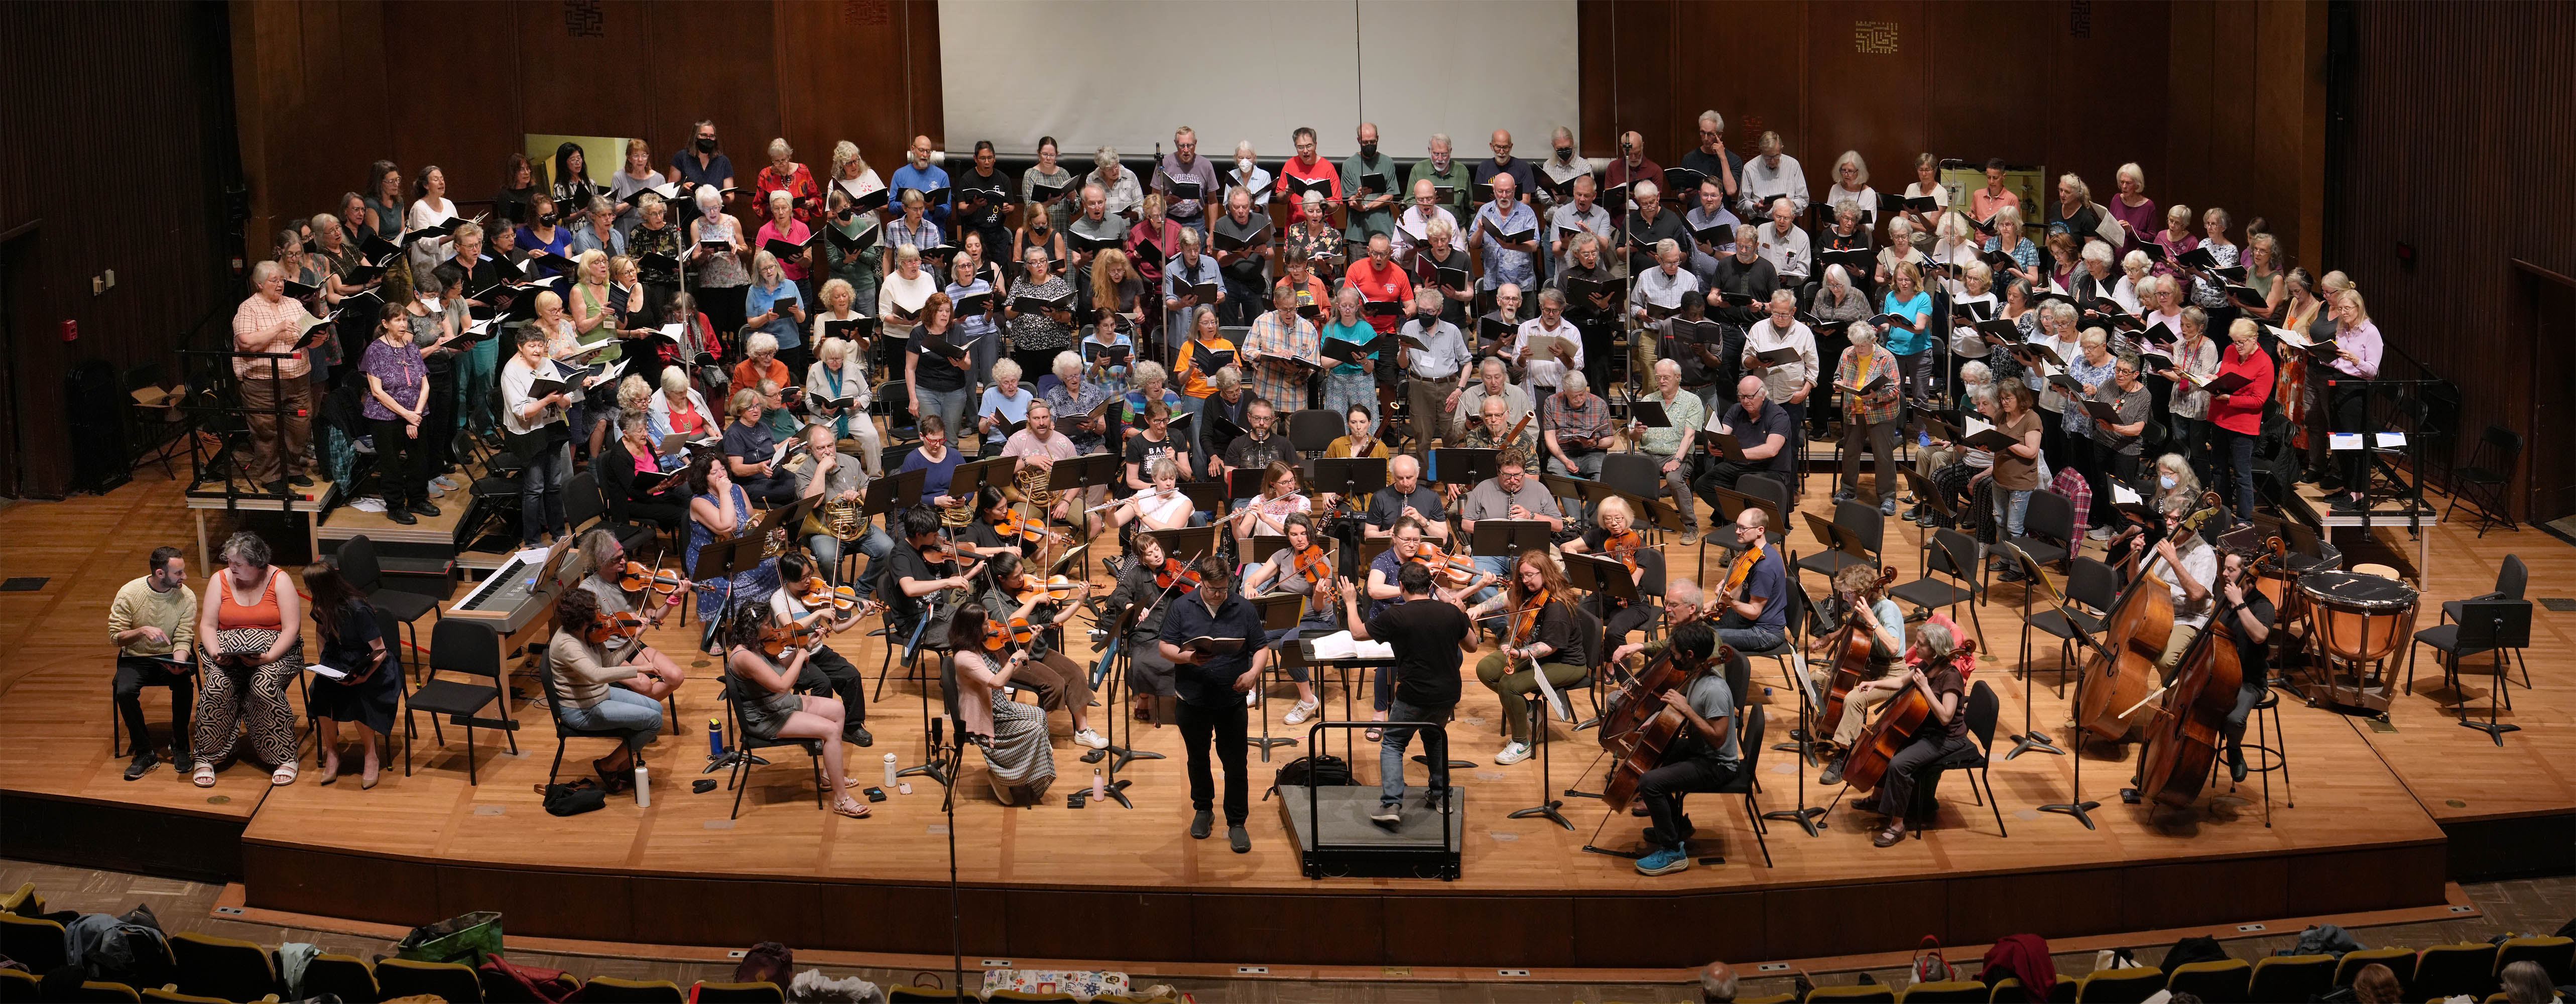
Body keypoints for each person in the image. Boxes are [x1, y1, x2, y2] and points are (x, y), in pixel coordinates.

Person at [1342, 560, 1476, 827]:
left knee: (1393, 743)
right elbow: (1472, 646)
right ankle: (1441, 797)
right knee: (1434, 736)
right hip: (1449, 694)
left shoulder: (1396, 615)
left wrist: (1349, 601)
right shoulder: (1451, 612)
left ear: (1401, 586)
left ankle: (1391, 802)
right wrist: (1462, 614)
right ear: (1430, 585)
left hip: (1413, 695)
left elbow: (1357, 633)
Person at [1158, 556, 1265, 853]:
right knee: (1198, 758)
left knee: (1235, 762)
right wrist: (1187, 657)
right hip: (1193, 698)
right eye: (1211, 589)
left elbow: (1260, 647)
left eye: (1222, 589)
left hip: (1231, 698)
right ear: (1201, 582)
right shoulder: (1182, 606)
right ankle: (1203, 809)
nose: (1218, 594)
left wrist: (1254, 673)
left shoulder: (1243, 608)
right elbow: (1164, 646)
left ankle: (1237, 821)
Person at [721, 604, 868, 818]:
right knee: (829, 730)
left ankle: (829, 776)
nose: (772, 628)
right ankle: (841, 799)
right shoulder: (744, 657)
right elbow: (782, 685)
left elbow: (779, 667)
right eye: (767, 624)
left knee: (837, 709)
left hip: (779, 703)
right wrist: (799, 657)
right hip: (767, 717)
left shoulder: (757, 646)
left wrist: (806, 647)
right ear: (753, 628)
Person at [1622, 620, 1739, 876]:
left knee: (1651, 782)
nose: (1671, 658)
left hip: (1717, 763)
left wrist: (1686, 710)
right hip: (1701, 750)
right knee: (1653, 756)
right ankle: (1677, 827)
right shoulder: (1697, 673)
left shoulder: (1715, 689)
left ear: (1690, 656)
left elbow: (1718, 739)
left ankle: (1673, 851)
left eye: (1674, 654)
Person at [191, 532, 303, 788]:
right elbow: (207, 625)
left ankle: (283, 756)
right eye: (229, 561)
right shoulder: (220, 580)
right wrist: (216, 652)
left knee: (263, 687)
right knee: (217, 687)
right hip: (225, 654)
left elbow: (291, 629)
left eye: (238, 564)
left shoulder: (280, 580)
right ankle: (207, 756)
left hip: (275, 654)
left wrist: (269, 657)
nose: (231, 568)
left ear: (257, 563)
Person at [1854, 620, 1972, 846]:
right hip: (1926, 730)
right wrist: (1874, 685)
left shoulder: (1951, 677)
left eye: (1920, 644)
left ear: (1935, 649)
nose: (1915, 647)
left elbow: (1946, 716)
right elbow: (1901, 681)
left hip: (1946, 738)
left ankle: (1897, 826)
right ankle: (1878, 798)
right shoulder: (1925, 666)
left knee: (1899, 764)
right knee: (1886, 744)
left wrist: (1926, 688)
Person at [1464, 549, 1586, 766]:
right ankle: (1529, 710)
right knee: (1486, 669)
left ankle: (1521, 743)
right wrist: (1480, 609)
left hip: (1565, 662)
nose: (1525, 580)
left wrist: (1519, 653)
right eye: (1522, 575)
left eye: (1530, 575)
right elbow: (1507, 597)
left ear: (1545, 573)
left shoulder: (1557, 607)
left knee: (1509, 685)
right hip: (1532, 652)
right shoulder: (1530, 591)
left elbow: (1549, 647)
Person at [1808, 563, 1908, 784]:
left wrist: (1872, 620)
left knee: (1854, 699)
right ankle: (1827, 729)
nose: (1844, 598)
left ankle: (1844, 755)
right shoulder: (1863, 605)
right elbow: (1854, 627)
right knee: (1816, 678)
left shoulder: (1886, 610)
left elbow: (1893, 646)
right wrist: (1831, 637)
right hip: (1870, 666)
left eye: (1848, 593)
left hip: (1892, 673)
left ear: (1864, 591)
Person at [110, 547, 197, 781]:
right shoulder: (129, 593)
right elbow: (115, 637)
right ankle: (145, 751)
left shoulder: (186, 597)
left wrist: (179, 662)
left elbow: (184, 636)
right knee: (125, 691)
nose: (184, 577)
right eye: (179, 573)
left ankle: (180, 744)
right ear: (161, 573)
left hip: (170, 656)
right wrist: (141, 631)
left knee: (184, 684)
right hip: (135, 658)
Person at [1240, 512, 1336, 720]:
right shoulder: (1282, 556)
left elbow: (1320, 608)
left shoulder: (1322, 562)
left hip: (1318, 621)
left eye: (1303, 533)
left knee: (1287, 644)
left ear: (1309, 534)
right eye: (1294, 534)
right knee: (1251, 637)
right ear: (1288, 536)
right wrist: (1249, 585)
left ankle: (1308, 700)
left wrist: (1319, 592)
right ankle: (1255, 691)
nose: (1300, 538)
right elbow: (1258, 576)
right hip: (1290, 617)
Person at [231, 263, 316, 492]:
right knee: (266, 429)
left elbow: (310, 335)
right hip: (262, 382)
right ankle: (271, 476)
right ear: (260, 284)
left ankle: (293, 470)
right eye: (274, 281)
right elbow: (246, 343)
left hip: (297, 377)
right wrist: (278, 328)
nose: (280, 285)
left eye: (282, 280)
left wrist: (321, 333)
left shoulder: (295, 304)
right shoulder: (249, 308)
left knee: (299, 427)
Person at [357, 302, 435, 523]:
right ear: (385, 324)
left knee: (419, 459)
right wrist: (406, 415)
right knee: (391, 463)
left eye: (405, 320)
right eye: (398, 320)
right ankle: (395, 506)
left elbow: (425, 385)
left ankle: (418, 500)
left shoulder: (411, 347)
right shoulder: (375, 350)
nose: (403, 325)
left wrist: (415, 415)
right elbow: (377, 391)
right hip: (386, 417)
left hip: (417, 414)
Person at [500, 328, 575, 547]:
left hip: (552, 428)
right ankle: (532, 540)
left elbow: (566, 396)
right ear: (520, 348)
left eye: (540, 345)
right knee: (534, 488)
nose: (537, 350)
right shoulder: (511, 372)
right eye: (532, 346)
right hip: (528, 434)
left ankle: (558, 533)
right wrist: (547, 400)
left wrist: (562, 399)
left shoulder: (546, 362)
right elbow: (521, 411)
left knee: (554, 485)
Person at [1458, 450, 1565, 594]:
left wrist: (1531, 516)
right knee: (1478, 581)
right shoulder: (1483, 488)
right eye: (1507, 475)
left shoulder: (1539, 490)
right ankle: (1502, 617)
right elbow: (1466, 524)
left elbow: (1558, 526)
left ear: (1524, 471)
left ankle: (1528, 616)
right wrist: (1495, 530)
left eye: (1518, 475)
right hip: (1490, 552)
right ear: (1498, 471)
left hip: (1529, 553)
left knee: (1542, 581)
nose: (1513, 480)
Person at [2320, 290, 2385, 512]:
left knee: (2354, 442)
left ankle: (2358, 493)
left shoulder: (2371, 333)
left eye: (2348, 309)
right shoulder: (2343, 329)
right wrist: (2320, 354)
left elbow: (2373, 371)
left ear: (2359, 308)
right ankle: (2348, 488)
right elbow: (2339, 361)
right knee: (2341, 441)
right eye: (2341, 309)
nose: (2343, 313)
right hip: (2338, 385)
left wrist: (2356, 360)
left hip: (2357, 391)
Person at [1833, 322, 1904, 514]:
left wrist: (1875, 395)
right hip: (1853, 411)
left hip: (1880, 414)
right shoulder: (1847, 353)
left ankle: (1887, 498)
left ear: (1873, 340)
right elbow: (1838, 375)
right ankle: (1848, 491)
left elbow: (1895, 389)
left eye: (1863, 346)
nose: (1859, 350)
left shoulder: (1886, 358)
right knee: (1850, 453)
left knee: (1883, 457)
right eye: (1856, 346)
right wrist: (1838, 383)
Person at [2207, 319, 2276, 520]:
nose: (2237, 347)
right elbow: (2223, 375)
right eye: (2234, 342)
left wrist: (2231, 399)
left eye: (2241, 342)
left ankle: (2245, 520)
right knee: (2219, 468)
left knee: (2242, 474)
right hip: (2221, 417)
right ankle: (2223, 512)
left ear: (2254, 339)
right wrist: (2213, 380)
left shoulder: (2265, 363)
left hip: (2243, 425)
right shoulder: (2230, 351)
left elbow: (2258, 401)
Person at [1690, 374, 1795, 505]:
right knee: (1703, 484)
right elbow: (1723, 433)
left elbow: (1771, 450)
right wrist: (1714, 443)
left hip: (1769, 469)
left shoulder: (1778, 416)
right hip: (1739, 466)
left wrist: (1738, 453)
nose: (1745, 401)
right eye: (1742, 397)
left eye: (1750, 397)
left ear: (1763, 395)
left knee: (1747, 483)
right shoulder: (1736, 410)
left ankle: (1745, 518)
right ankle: (1736, 515)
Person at [1708, 509, 1788, 665]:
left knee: (1706, 638)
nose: (1738, 531)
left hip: (1765, 632)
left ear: (1760, 531)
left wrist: (1729, 601)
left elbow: (1754, 612)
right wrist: (1714, 604)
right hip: (1748, 620)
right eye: (1736, 526)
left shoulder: (1764, 567)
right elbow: (1740, 588)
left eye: (1743, 528)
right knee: (1700, 623)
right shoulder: (1753, 551)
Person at [906, 294, 974, 456]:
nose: (945, 315)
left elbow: (968, 365)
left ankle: (950, 478)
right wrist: (913, 398)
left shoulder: (957, 330)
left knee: (951, 441)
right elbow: (910, 369)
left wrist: (960, 363)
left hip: (954, 391)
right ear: (931, 312)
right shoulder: (918, 334)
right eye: (940, 311)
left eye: (948, 311)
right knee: (931, 438)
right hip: (926, 391)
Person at [1243, 283, 1321, 415]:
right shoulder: (1262, 322)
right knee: (1264, 436)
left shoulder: (1308, 328)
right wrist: (1272, 355)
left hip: (1294, 397)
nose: (1289, 314)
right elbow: (1247, 352)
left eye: (1293, 309)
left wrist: (1298, 370)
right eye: (1284, 309)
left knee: (1297, 435)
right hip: (1266, 394)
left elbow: (1315, 364)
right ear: (1276, 304)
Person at [687, 184, 754, 336]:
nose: (712, 212)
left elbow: (746, 251)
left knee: (739, 326)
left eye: (716, 207)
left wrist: (738, 248)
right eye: (707, 209)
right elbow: (695, 260)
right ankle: (717, 357)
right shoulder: (696, 225)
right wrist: (705, 254)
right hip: (711, 286)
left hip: (737, 283)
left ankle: (740, 355)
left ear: (720, 205)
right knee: (714, 328)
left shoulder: (732, 221)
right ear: (701, 209)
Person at [1006, 247, 1077, 381]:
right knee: (1030, 388)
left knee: (1052, 388)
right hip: (1025, 347)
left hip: (1054, 346)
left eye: (1042, 261)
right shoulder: (1019, 283)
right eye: (1034, 262)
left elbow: (1068, 316)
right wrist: (1021, 305)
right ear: (1027, 266)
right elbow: (1008, 313)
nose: (1039, 265)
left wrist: (1055, 315)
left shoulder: (1058, 284)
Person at [1319, 287, 1378, 422]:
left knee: (1363, 423)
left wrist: (1363, 360)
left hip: (1361, 380)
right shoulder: (1330, 328)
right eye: (1344, 306)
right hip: (1337, 381)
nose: (1347, 310)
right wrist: (1346, 355)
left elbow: (1370, 368)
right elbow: (1325, 363)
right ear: (1338, 307)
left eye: (1351, 306)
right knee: (1337, 423)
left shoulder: (1366, 329)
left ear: (1357, 307)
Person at [1514, 288, 1584, 400]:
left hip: (1561, 392)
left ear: (1562, 310)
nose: (1551, 314)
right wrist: (1522, 357)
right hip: (1533, 392)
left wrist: (1562, 356)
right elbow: (1516, 365)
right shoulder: (1526, 328)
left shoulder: (1572, 331)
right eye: (1547, 310)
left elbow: (1579, 365)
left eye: (1555, 311)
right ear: (1541, 307)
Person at [1364, 454, 1450, 543]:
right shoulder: (1380, 497)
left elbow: (1443, 540)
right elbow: (1368, 535)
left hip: (1423, 553)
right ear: (1394, 476)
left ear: (1417, 473)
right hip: (1391, 552)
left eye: (1409, 477)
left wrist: (1422, 521)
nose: (1405, 483)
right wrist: (1387, 533)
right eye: (1400, 478)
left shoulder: (1432, 497)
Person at [1450, 356, 1532, 445]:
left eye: (1497, 377)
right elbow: (1456, 432)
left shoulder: (1519, 395)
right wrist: (1467, 426)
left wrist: (1525, 449)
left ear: (1505, 376)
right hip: (1478, 448)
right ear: (1482, 377)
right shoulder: (1469, 395)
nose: (1493, 382)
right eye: (1488, 378)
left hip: (1513, 450)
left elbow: (1532, 429)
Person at [1739, 131, 1809, 217]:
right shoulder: (1750, 168)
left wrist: (1790, 205)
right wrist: (1756, 207)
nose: (1772, 161)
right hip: (1761, 221)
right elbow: (1742, 204)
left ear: (1781, 149)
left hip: (1788, 220)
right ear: (1761, 151)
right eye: (1768, 156)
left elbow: (1803, 199)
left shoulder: (1793, 165)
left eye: (1776, 156)